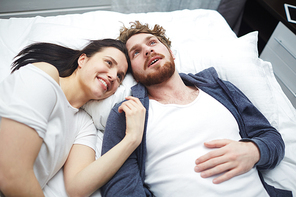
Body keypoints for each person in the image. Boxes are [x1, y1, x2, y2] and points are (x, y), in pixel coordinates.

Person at [100, 21, 292, 197]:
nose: (148, 51)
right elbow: (119, 188)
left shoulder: (220, 89)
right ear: (134, 73)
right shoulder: (128, 112)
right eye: (136, 52)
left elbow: (271, 137)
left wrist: (254, 151)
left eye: (152, 43)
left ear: (171, 52)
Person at [0, 39, 146, 196]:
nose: (112, 76)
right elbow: (11, 174)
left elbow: (77, 187)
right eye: (109, 63)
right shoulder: (45, 73)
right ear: (82, 60)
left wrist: (132, 139)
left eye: (119, 77)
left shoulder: (84, 123)